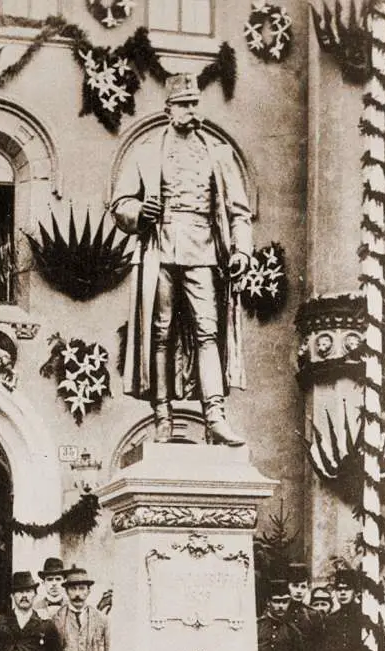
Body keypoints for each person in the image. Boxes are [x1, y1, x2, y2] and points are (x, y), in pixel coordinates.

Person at [110, 72, 252, 446]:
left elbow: (239, 211)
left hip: (204, 250)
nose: (191, 111)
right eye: (184, 104)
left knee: (208, 331)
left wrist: (241, 251)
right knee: (161, 332)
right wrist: (140, 210)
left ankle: (216, 414)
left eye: (195, 103)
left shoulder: (218, 154)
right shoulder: (145, 152)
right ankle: (161, 413)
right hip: (160, 247)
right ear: (168, 108)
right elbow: (119, 205)